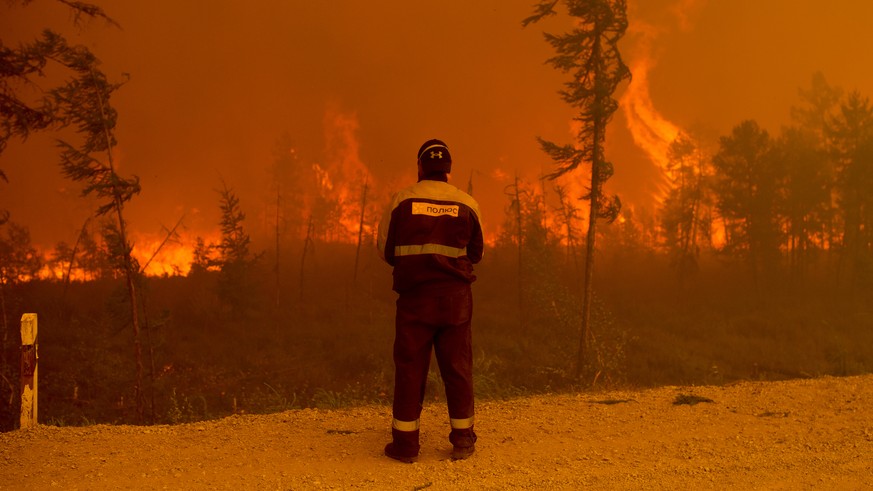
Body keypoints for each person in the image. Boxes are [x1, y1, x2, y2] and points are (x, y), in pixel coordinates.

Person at [377, 138, 484, 462]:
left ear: (420, 167)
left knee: (410, 369)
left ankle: (406, 447)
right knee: (458, 368)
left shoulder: (402, 201)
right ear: (448, 170)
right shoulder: (467, 203)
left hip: (415, 301)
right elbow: (476, 254)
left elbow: (386, 251)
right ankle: (463, 440)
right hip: (456, 301)